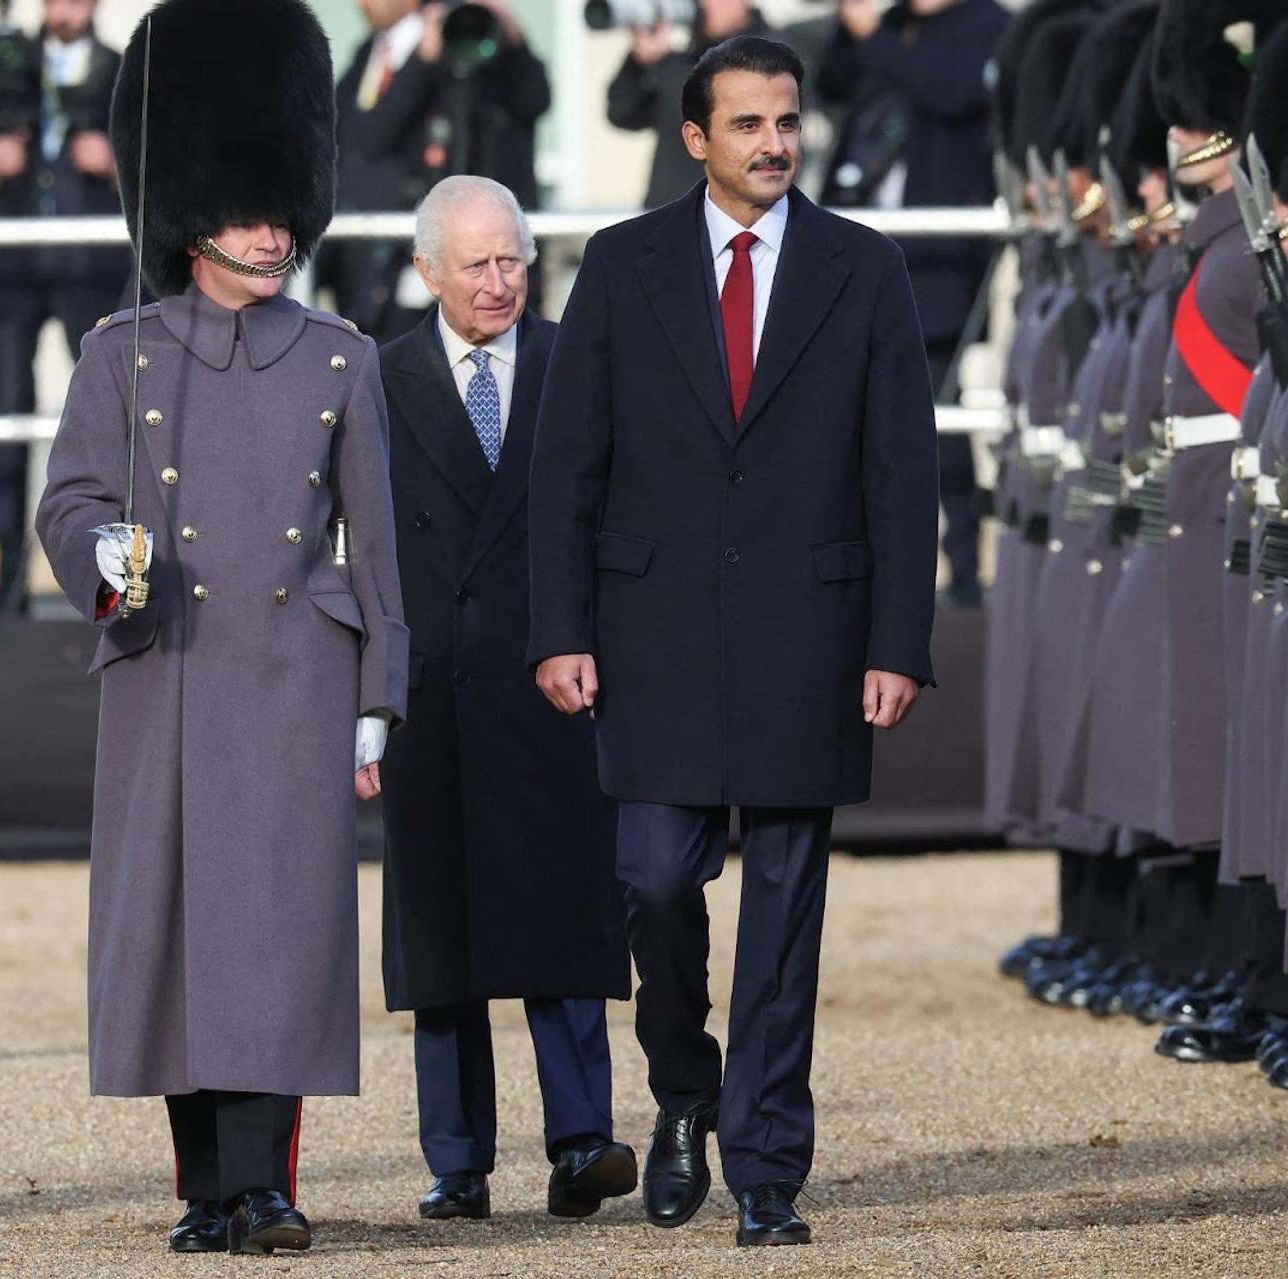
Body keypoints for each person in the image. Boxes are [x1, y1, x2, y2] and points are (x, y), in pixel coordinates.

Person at [528, 35, 937, 1246]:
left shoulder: (864, 268)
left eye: (786, 121)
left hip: (812, 637)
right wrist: (561, 629)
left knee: (785, 913)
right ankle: (685, 1094)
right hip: (651, 639)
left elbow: (903, 472)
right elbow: (568, 467)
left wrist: (897, 642)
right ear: (697, 137)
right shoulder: (620, 263)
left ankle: (767, 1168)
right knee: (653, 883)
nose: (773, 142)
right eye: (747, 124)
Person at [32, 0, 407, 1256]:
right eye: (249, 211)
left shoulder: (342, 361)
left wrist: (378, 697)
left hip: (297, 670)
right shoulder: (119, 356)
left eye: (283, 210)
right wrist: (104, 557)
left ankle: (266, 1183)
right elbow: (71, 498)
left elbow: (380, 548)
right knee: (180, 936)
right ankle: (207, 1186)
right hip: (169, 673)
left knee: (279, 933)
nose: (272, 230)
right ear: (194, 217)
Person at [376, 174, 634, 1224]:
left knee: (565, 916)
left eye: (513, 258)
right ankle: (458, 1159)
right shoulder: (379, 376)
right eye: (477, 263)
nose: (500, 281)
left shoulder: (580, 358)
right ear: (429, 269)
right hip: (433, 690)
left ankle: (582, 1140)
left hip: (555, 678)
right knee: (441, 936)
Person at [818, 0, 1009, 608]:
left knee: (937, 421)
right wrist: (854, 32)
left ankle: (959, 569)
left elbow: (950, 93)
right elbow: (830, 85)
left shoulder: (988, 26)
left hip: (938, 262)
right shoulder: (894, 25)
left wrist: (877, 36)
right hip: (862, 252)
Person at [0, 0, 126, 615]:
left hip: (89, 273)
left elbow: (155, 165)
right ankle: (8, 580)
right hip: (11, 273)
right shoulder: (2, 68)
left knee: (107, 426)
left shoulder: (120, 70)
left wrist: (112, 166)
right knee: (6, 421)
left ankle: (112, 580)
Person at [330, 0, 550, 340]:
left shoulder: (483, 53)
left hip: (466, 265)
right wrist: (421, 61)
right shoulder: (374, 53)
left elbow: (533, 101)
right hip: (384, 269)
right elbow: (360, 139)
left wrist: (510, 35)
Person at [605, 0, 771, 210]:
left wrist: (664, 62)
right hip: (667, 219)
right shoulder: (688, 61)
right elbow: (623, 113)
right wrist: (637, 62)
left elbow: (714, 108)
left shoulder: (773, 52)